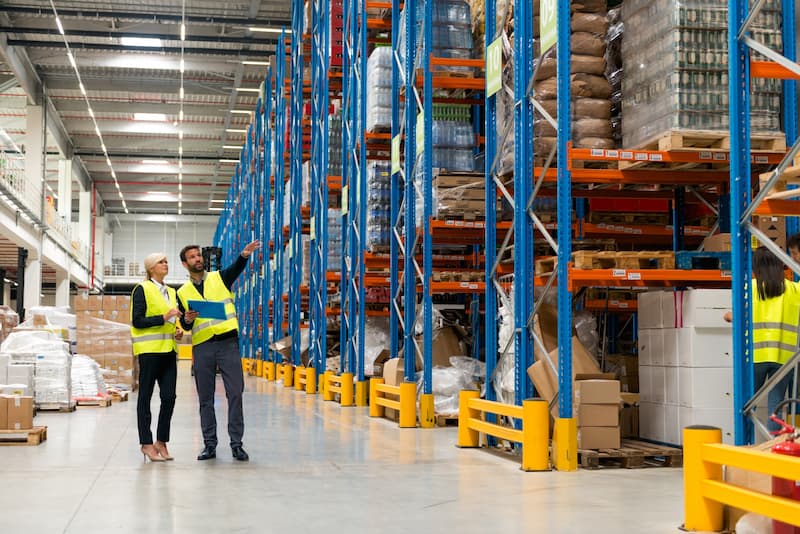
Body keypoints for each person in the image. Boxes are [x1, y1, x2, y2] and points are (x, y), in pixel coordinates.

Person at [177, 241, 261, 462]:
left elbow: (236, 269)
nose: (198, 259)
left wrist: (244, 255)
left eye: (199, 255)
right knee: (205, 398)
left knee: (235, 393)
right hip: (203, 346)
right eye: (193, 257)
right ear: (185, 264)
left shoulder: (218, 278)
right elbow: (184, 325)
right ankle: (209, 445)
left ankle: (236, 444)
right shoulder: (182, 292)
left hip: (228, 344)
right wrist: (186, 319)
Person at [724, 247, 799, 429]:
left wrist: (728, 315)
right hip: (784, 359)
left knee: (747, 406)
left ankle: (745, 444)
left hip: (754, 357)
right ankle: (774, 449)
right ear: (782, 264)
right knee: (776, 409)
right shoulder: (795, 290)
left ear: (755, 267)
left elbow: (733, 316)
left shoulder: (748, 288)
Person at [131, 252, 182, 462]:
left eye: (166, 261)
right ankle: (146, 443)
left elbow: (172, 322)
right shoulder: (142, 289)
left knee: (169, 397)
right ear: (151, 267)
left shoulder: (171, 291)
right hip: (150, 351)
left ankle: (161, 441)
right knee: (145, 397)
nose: (165, 264)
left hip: (169, 350)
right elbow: (137, 321)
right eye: (161, 262)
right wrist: (164, 317)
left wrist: (177, 330)